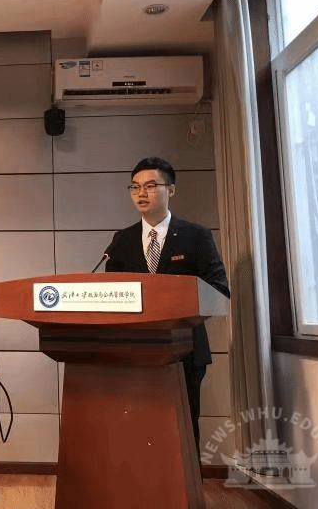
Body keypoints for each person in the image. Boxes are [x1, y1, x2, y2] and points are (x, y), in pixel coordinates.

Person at [104, 157, 230, 450]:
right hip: (135, 352)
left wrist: (176, 308)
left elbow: (219, 289)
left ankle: (187, 482)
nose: (141, 193)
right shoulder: (121, 240)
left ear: (171, 189)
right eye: (134, 187)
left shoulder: (196, 236)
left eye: (150, 186)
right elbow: (112, 293)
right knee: (139, 429)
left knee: (182, 428)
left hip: (185, 349)